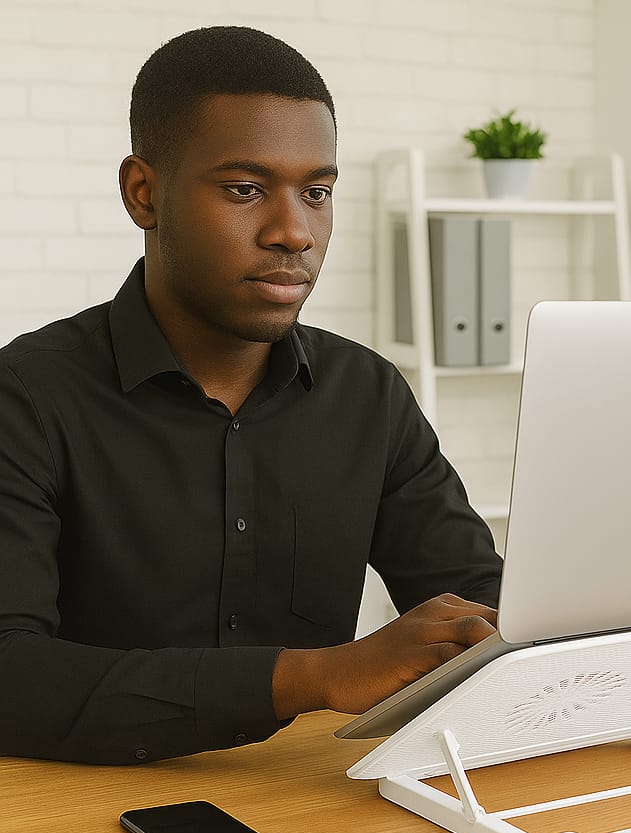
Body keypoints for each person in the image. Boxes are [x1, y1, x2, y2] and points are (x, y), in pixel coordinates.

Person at [0, 26, 502, 765]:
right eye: (245, 190)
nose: (294, 232)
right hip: (81, 806)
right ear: (144, 193)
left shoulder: (368, 395)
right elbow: (10, 672)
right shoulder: (27, 397)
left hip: (305, 796)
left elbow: (482, 607)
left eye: (317, 193)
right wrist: (314, 677)